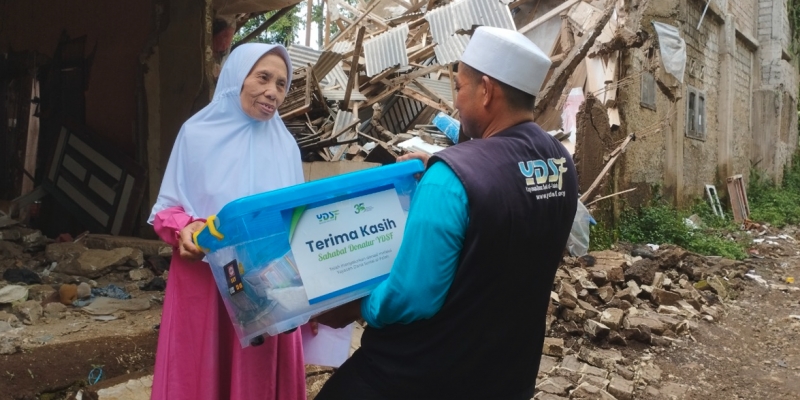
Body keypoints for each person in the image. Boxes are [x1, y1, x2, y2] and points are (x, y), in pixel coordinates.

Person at [315, 26, 579, 399]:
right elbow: (504, 196)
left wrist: (353, 307)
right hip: (506, 375)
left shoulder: (451, 179)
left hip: (419, 375)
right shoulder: (559, 163)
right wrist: (443, 166)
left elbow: (410, 297)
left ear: (486, 90)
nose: (455, 101)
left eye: (459, 87)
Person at [148, 43, 307, 400]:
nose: (273, 91)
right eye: (263, 77)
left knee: (257, 378)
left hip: (264, 287)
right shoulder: (197, 135)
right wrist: (183, 229)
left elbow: (297, 219)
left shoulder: (286, 146)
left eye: (282, 84)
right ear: (237, 77)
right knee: (200, 373)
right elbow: (167, 209)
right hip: (204, 283)